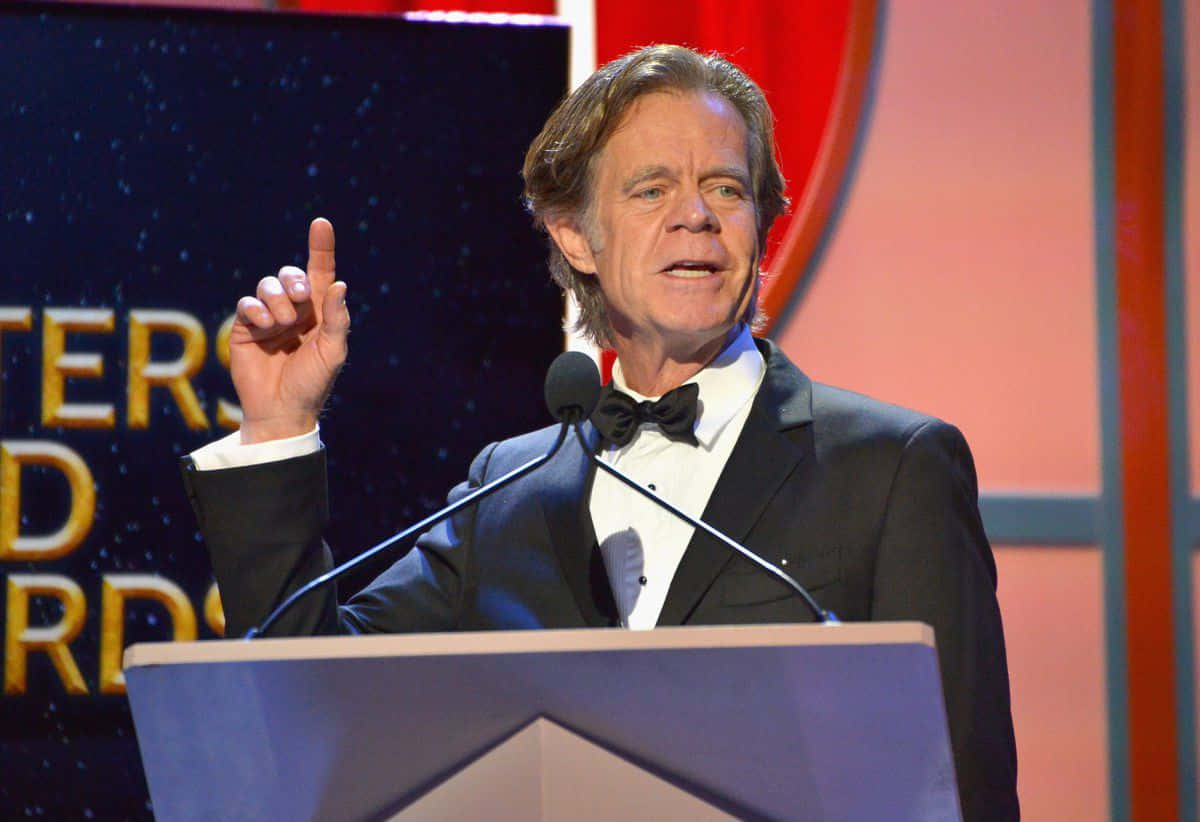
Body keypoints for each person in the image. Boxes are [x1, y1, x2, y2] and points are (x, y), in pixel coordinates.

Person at [183, 45, 1019, 820]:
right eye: (651, 188)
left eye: (727, 188)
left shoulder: (893, 468)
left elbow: (960, 789)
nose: (697, 215)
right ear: (575, 235)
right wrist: (279, 426)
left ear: (760, 225)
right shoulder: (506, 491)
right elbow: (306, 697)